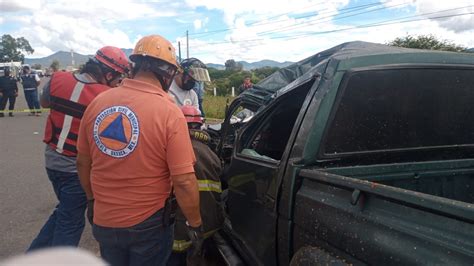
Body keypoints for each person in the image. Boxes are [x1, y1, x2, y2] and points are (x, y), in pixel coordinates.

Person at [76, 34, 202, 266]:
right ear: (167, 73)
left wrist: (92, 200)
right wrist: (195, 223)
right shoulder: (169, 112)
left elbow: (83, 162)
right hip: (148, 224)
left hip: (104, 219)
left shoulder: (98, 103)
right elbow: (184, 181)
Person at [27, 46, 129, 252]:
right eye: (117, 77)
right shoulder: (107, 97)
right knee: (70, 223)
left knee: (64, 211)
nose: (118, 82)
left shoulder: (57, 78)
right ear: (108, 74)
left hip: (52, 161)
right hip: (76, 169)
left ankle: (34, 254)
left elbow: (45, 102)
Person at [168, 105, 224, 266]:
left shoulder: (173, 150)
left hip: (181, 229)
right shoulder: (211, 153)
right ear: (200, 126)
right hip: (209, 225)